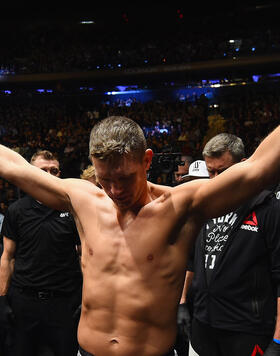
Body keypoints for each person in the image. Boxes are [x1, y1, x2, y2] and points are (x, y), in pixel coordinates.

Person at [0, 116, 279, 356]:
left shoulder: (179, 206)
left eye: (124, 178)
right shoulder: (81, 198)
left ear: (147, 160)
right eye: (105, 179)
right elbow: (14, 166)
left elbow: (259, 168)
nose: (115, 190)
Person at [187, 133, 280, 356]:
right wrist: (182, 304)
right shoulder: (203, 204)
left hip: (248, 329)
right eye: (211, 172)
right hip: (203, 325)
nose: (217, 179)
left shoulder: (269, 208)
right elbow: (190, 262)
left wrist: (278, 340)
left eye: (223, 171)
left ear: (242, 166)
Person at [0, 150, 83, 356]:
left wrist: (86, 299)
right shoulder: (16, 210)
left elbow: (85, 257)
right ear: (30, 174)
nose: (48, 174)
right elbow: (8, 257)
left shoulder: (73, 210)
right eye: (42, 170)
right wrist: (2, 301)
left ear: (60, 174)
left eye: (53, 170)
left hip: (64, 303)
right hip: (24, 302)